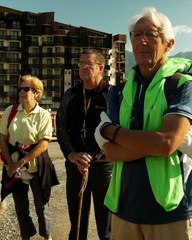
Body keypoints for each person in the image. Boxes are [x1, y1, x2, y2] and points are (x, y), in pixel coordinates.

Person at [96, 7, 192, 240]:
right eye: (136, 35)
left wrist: (112, 131)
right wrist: (152, 143)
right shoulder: (120, 92)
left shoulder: (183, 86)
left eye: (151, 33)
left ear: (169, 44)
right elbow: (111, 153)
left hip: (172, 214)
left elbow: (166, 143)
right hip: (125, 211)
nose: (142, 40)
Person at [57, 49, 112, 240]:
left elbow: (113, 128)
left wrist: (90, 155)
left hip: (102, 165)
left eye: (88, 64)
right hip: (75, 165)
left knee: (106, 223)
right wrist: (72, 155)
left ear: (101, 68)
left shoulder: (111, 94)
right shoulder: (70, 94)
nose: (82, 68)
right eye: (80, 64)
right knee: (77, 221)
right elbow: (61, 127)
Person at [0, 75, 58, 240]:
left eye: (26, 89)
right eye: (20, 89)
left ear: (37, 93)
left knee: (42, 204)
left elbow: (44, 144)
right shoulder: (11, 111)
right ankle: (26, 236)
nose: (21, 92)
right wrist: (10, 164)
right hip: (13, 165)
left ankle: (47, 236)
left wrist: (21, 163)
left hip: (36, 165)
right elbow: (2, 139)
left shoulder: (43, 115)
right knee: (20, 205)